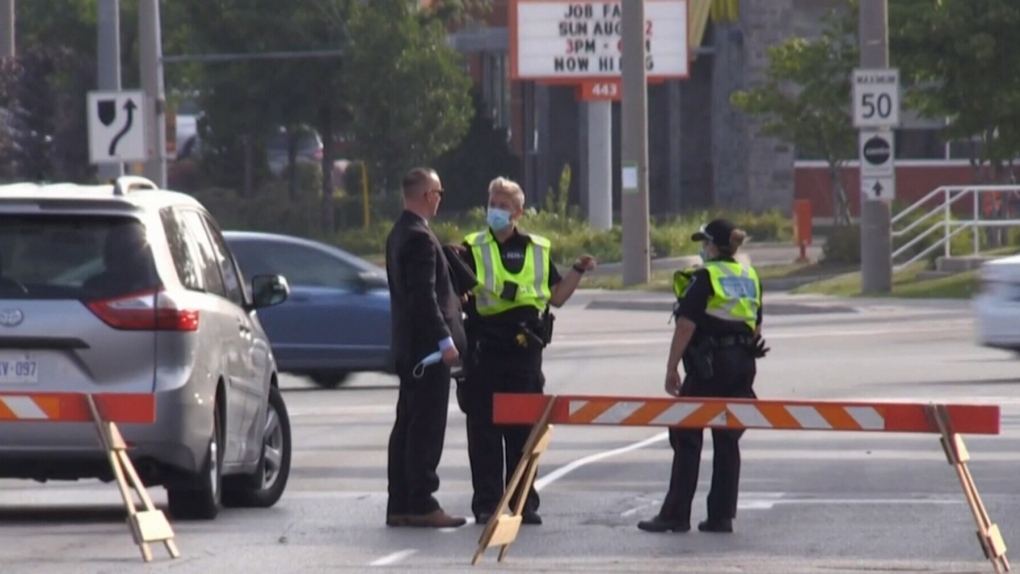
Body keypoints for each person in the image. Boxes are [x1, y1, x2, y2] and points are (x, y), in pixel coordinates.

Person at [457, 176, 596, 525]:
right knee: (484, 432)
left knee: (524, 430)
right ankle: (487, 504)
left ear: (518, 211)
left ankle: (524, 502)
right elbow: (456, 291)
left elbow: (557, 297)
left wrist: (578, 270)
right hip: (486, 349)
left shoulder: (537, 248)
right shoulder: (471, 247)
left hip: (525, 352)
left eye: (504, 205)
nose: (497, 210)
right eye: (493, 203)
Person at [638, 218, 769, 535]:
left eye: (704, 243)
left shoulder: (706, 276)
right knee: (727, 439)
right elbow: (757, 325)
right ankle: (721, 516)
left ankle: (676, 514)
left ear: (713, 246)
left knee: (686, 433)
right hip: (742, 363)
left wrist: (671, 368)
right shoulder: (749, 276)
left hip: (711, 364)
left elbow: (686, 325)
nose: (702, 248)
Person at [384, 167, 469, 529]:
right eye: (438, 192)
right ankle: (421, 502)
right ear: (426, 196)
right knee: (425, 429)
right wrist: (445, 340)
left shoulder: (400, 232)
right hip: (428, 351)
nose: (440, 199)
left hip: (410, 347)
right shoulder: (419, 237)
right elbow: (422, 296)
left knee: (407, 425)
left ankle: (401, 503)